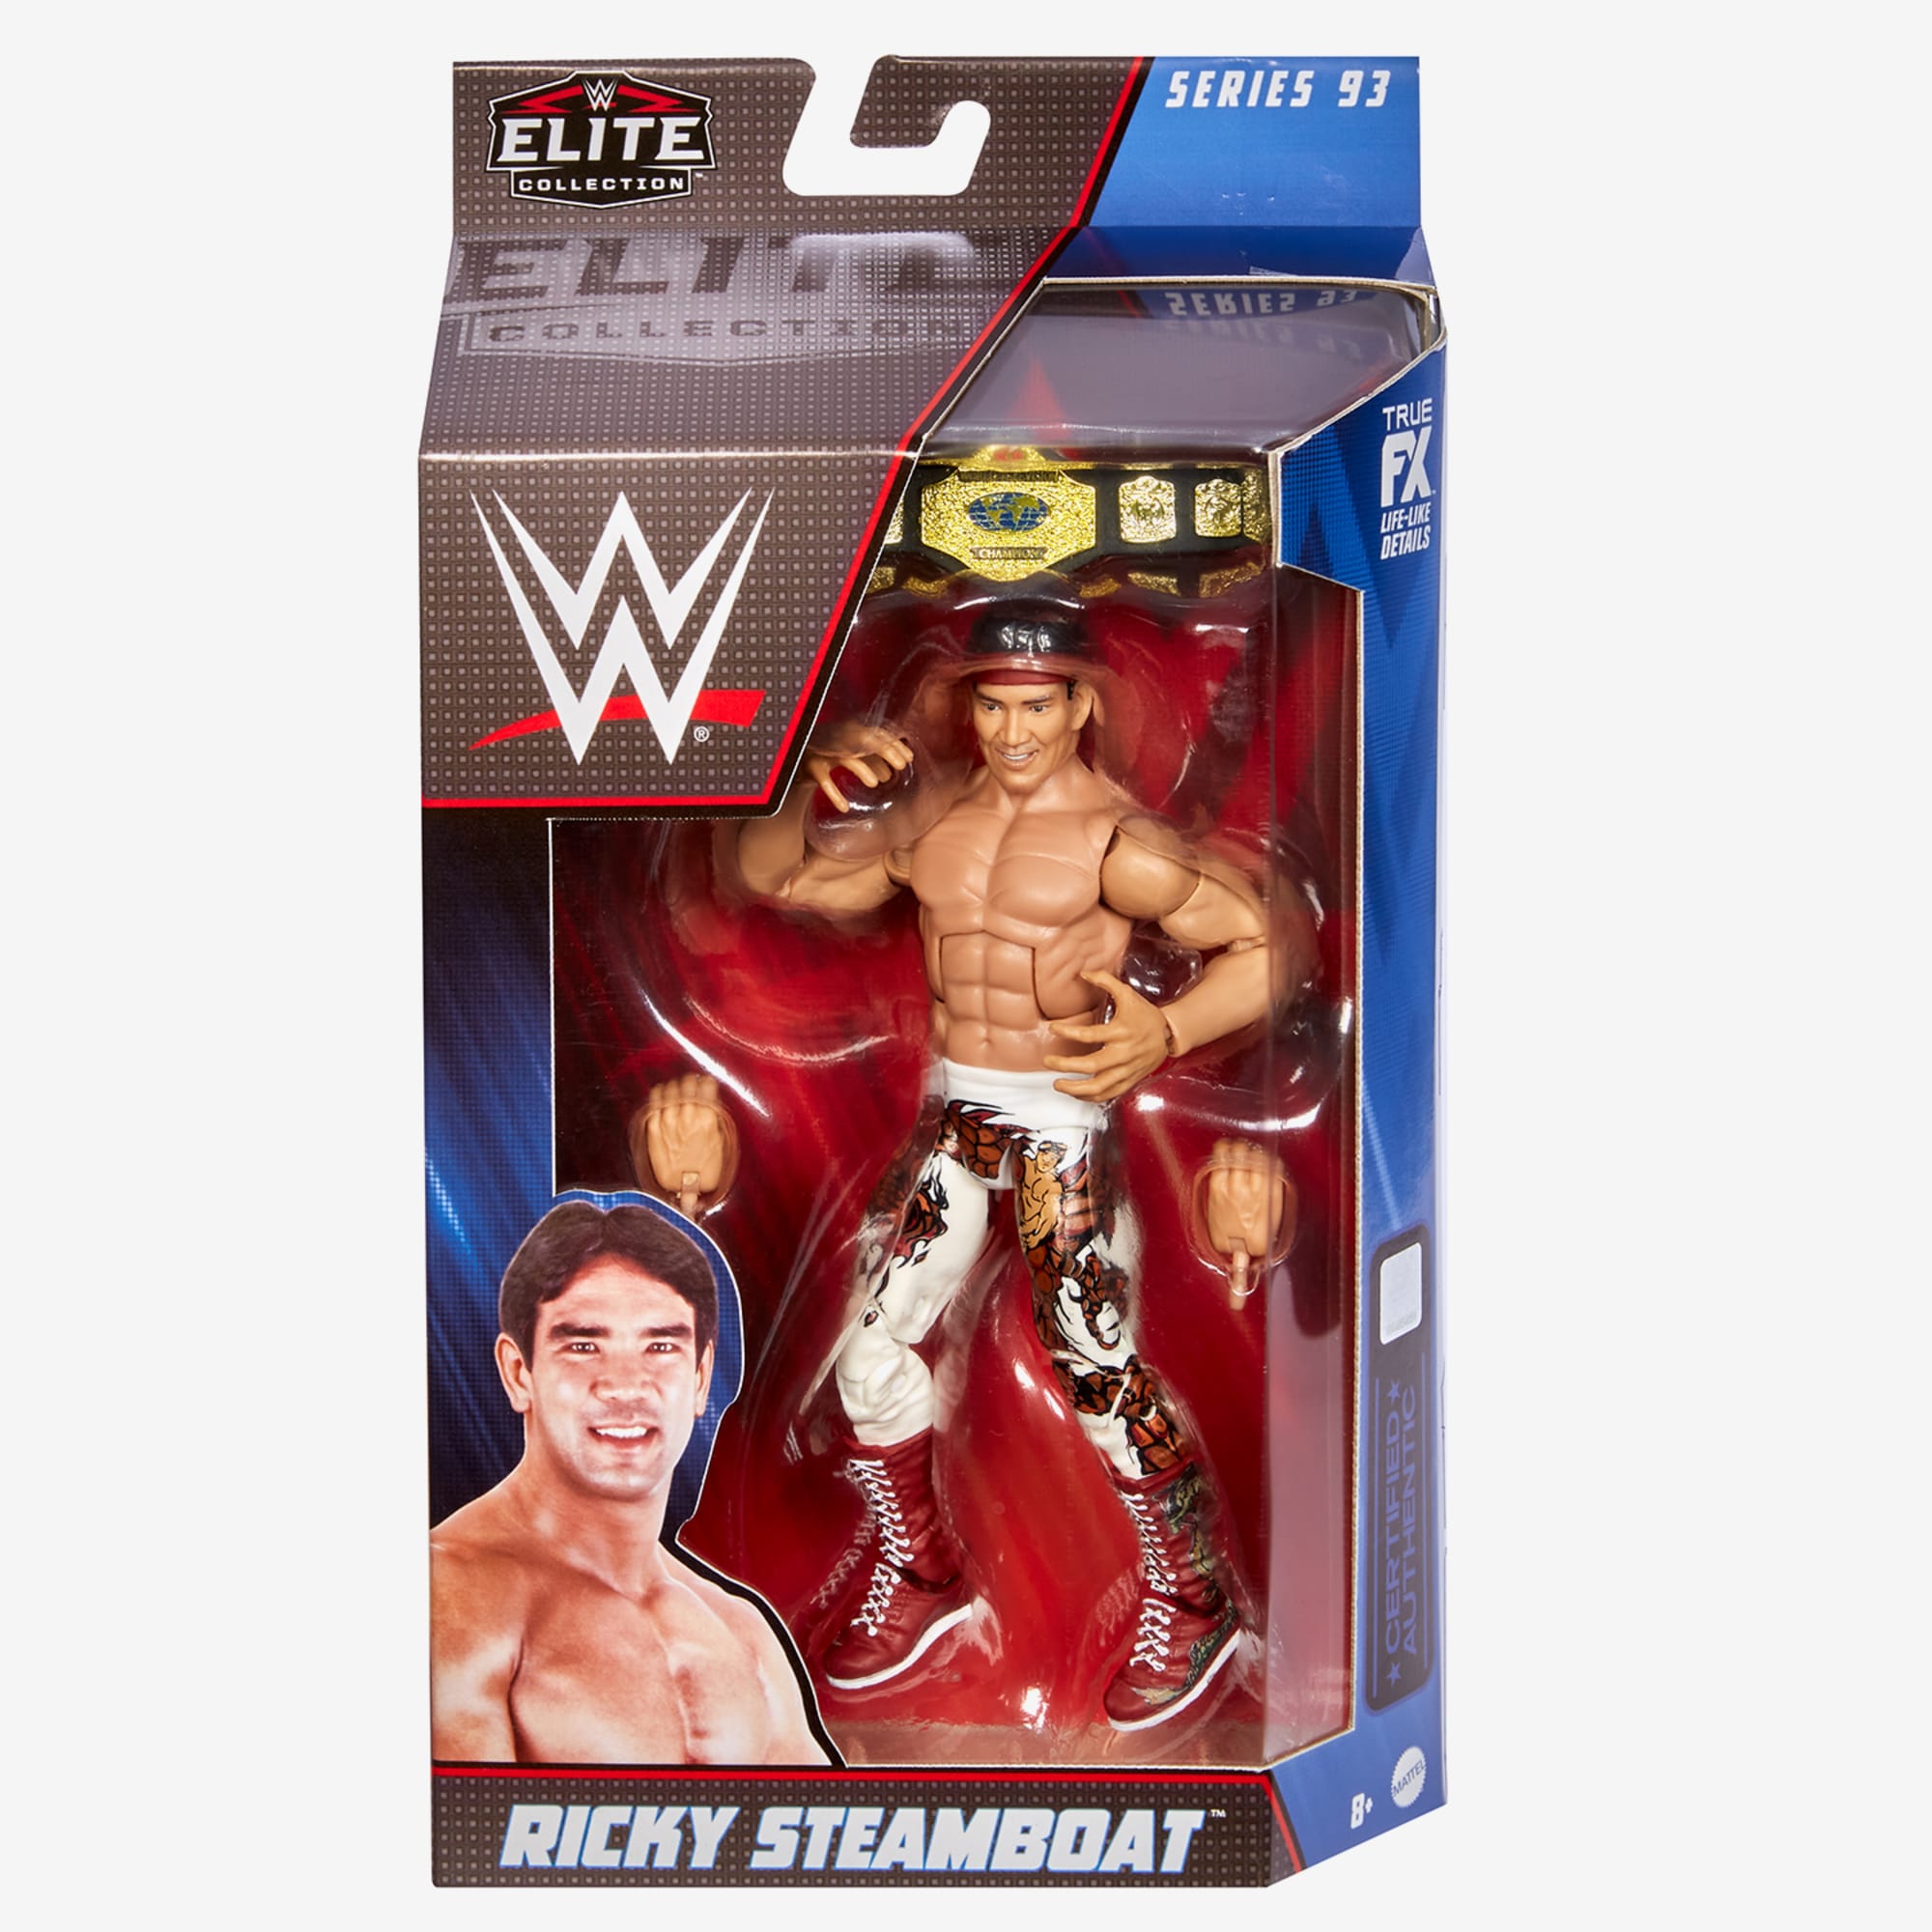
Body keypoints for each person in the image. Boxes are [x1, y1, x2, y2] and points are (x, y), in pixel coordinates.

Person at [738, 603, 1300, 1731]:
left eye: (1034, 705)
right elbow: (784, 880)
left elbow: (1263, 944)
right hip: (955, 1121)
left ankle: (1194, 1598)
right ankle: (925, 1576)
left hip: (1061, 1128)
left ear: (1079, 704)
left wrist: (1167, 1031)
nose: (1010, 729)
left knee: (1093, 1363)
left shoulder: (1118, 843)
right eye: (992, 705)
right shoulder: (935, 824)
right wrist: (812, 780)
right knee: (867, 1353)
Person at [430, 1198, 830, 1764]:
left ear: (700, 1378)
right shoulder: (452, 1594)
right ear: (519, 1373)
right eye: (583, 1345)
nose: (625, 1385)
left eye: (660, 1346)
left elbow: (819, 1820)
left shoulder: (743, 1632)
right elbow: (459, 1822)